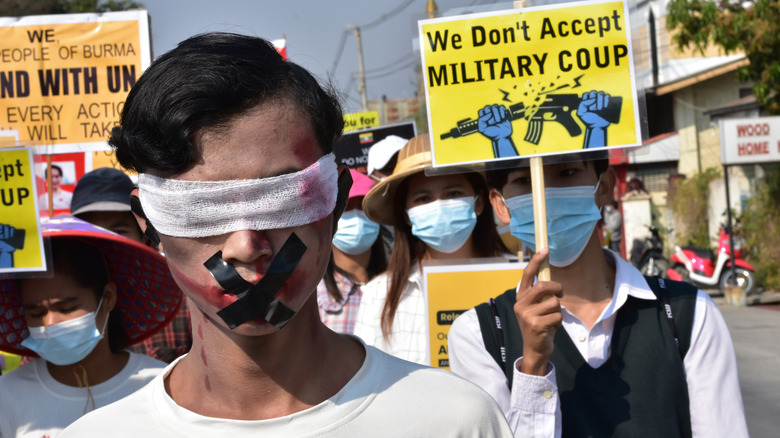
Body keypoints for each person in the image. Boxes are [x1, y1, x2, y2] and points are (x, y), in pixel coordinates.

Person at [60, 33, 511, 436]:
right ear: (149, 224)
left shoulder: (454, 421)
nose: (244, 246)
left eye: (281, 200)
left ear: (333, 201)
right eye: (199, 210)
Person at [447, 153, 749, 437]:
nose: (546, 193)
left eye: (567, 172)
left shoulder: (688, 313)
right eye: (525, 181)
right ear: (501, 205)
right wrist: (534, 368)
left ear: (604, 186)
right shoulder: (480, 335)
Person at [0, 216, 183, 437]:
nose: (49, 323)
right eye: (35, 312)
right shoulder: (7, 396)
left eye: (66, 308)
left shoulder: (159, 386)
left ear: (107, 298)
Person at [354, 134, 509, 365]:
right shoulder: (379, 295)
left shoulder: (516, 280)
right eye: (423, 198)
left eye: (453, 194)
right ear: (406, 215)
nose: (439, 205)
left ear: (478, 203)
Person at [71, 167, 193, 363]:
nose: (105, 242)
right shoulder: (60, 302)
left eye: (118, 230)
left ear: (144, 237)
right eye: (91, 231)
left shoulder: (184, 302)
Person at [317, 169, 386, 334]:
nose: (357, 216)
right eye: (346, 208)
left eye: (364, 207)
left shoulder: (400, 286)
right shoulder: (313, 294)